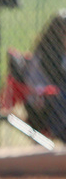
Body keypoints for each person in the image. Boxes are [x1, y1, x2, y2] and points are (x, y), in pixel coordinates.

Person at [29, 10, 66, 141]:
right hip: (45, 104)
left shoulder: (61, 53)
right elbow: (57, 81)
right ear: (59, 33)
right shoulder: (48, 54)